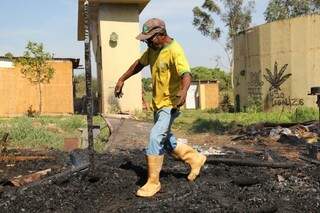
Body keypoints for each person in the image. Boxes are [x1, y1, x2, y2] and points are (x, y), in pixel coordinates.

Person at [114, 18, 206, 197]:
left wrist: (184, 91)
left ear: (161, 35)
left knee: (156, 137)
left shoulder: (175, 51)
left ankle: (153, 182)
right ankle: (195, 158)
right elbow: (139, 64)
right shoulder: (153, 50)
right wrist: (122, 79)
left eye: (149, 38)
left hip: (170, 104)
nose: (147, 42)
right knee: (167, 140)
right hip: (158, 104)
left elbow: (186, 74)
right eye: (145, 39)